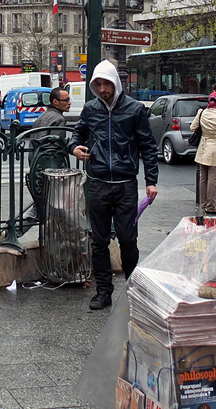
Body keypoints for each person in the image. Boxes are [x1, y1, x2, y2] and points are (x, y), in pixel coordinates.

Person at [68, 60, 159, 310]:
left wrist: (151, 181)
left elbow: (148, 146)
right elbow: (78, 134)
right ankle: (104, 292)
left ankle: (132, 287)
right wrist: (74, 147)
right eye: (97, 84)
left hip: (125, 184)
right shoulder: (90, 108)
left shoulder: (135, 109)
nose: (102, 89)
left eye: (106, 83)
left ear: (115, 84)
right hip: (97, 183)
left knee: (128, 240)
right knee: (98, 240)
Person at [191, 92, 216, 215]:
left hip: (203, 147)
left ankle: (203, 203)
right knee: (212, 178)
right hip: (215, 149)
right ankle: (211, 205)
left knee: (203, 178)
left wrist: (199, 115)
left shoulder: (202, 113)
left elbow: (193, 127)